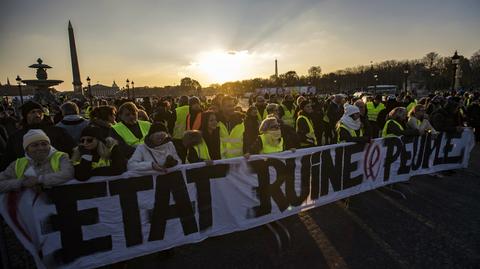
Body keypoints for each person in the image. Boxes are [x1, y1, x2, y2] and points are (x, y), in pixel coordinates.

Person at [1, 101, 75, 170]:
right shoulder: (15, 137)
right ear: (25, 115)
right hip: (27, 177)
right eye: (32, 112)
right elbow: (8, 161)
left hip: (57, 174)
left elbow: (72, 151)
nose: (37, 115)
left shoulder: (58, 131)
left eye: (40, 112)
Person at [0, 129, 73, 192]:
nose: (40, 148)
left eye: (44, 144)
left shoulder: (61, 157)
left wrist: (39, 180)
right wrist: (22, 183)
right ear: (27, 149)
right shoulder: (17, 164)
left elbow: (67, 173)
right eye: (35, 145)